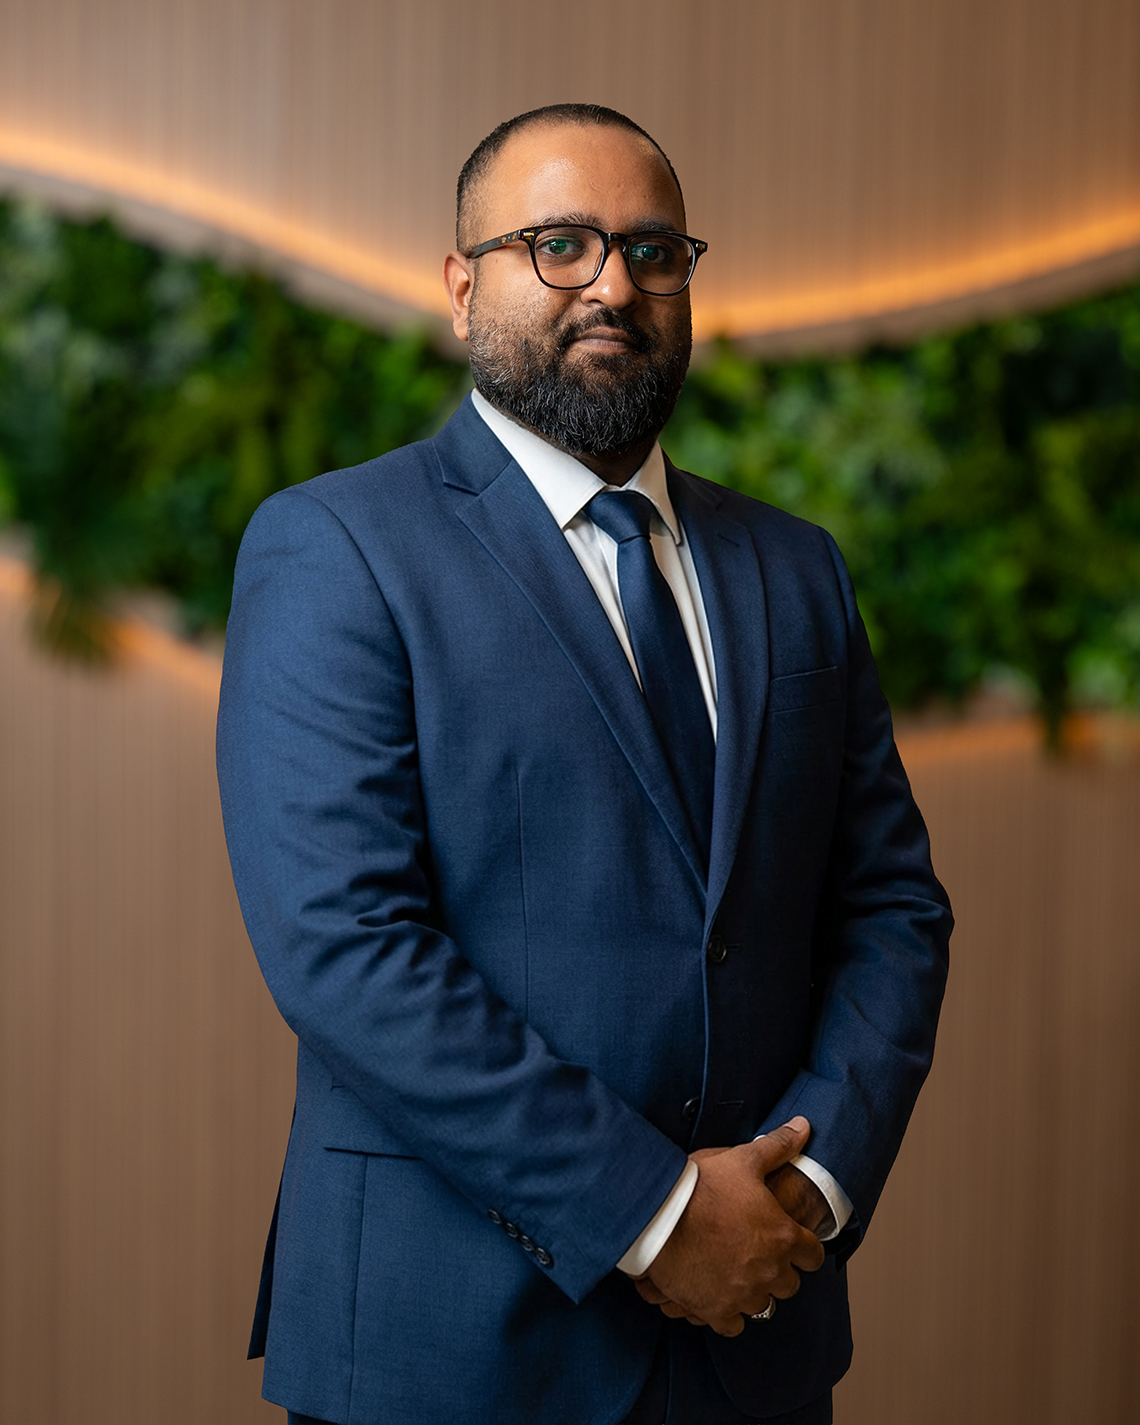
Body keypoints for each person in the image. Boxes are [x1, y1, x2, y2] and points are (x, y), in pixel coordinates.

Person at [217, 103, 951, 1425]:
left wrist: (808, 1183)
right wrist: (656, 1213)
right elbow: (344, 945)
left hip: (754, 1337)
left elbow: (891, 907)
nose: (613, 284)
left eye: (653, 250)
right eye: (559, 244)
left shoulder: (796, 569)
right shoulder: (336, 547)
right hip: (449, 1351)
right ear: (462, 288)